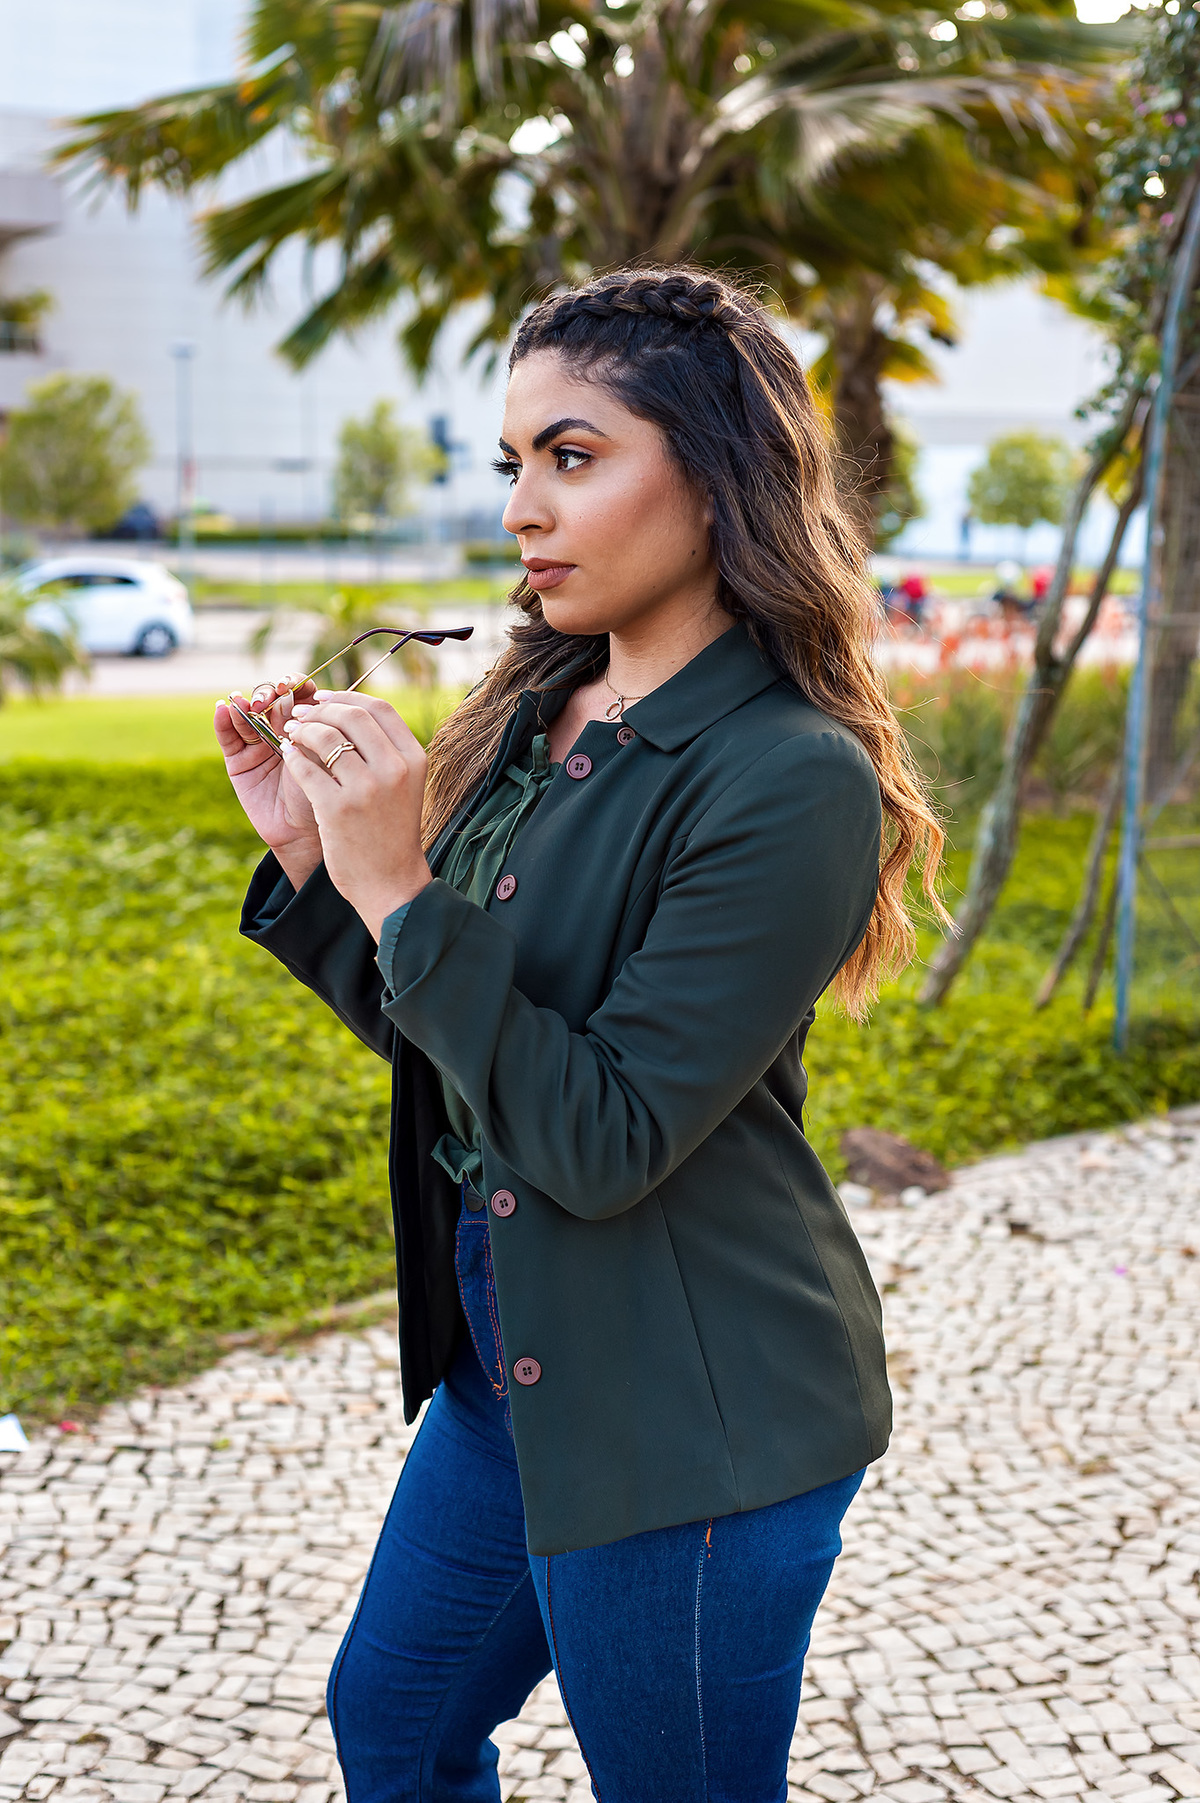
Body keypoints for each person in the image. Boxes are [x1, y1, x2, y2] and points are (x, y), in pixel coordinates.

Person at [215, 267, 945, 1803]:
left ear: (716, 472)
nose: (522, 510)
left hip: (696, 1408)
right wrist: (321, 865)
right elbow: (468, 1047)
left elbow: (600, 1137)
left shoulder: (789, 776)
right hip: (516, 1361)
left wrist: (404, 879)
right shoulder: (538, 708)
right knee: (396, 1728)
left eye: (574, 455)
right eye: (513, 465)